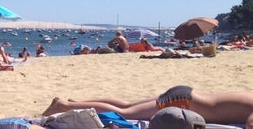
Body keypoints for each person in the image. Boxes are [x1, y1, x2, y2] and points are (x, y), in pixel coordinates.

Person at [42, 85, 253, 128]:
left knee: (128, 105)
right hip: (185, 103)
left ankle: (72, 103)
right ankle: (63, 105)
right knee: (124, 112)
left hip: (187, 94)